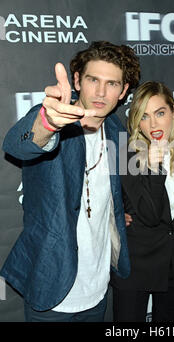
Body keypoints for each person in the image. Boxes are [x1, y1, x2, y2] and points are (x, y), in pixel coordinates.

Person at [1, 41, 140, 322]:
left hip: (99, 289)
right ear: (77, 80)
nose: (101, 92)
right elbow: (17, 144)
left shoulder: (117, 131)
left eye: (112, 84)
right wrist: (47, 125)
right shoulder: (54, 119)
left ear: (123, 91)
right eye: (92, 80)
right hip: (52, 287)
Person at [110, 81, 174, 322]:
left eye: (160, 113)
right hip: (138, 264)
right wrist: (154, 168)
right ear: (137, 121)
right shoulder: (128, 155)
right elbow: (149, 214)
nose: (154, 124)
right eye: (144, 117)